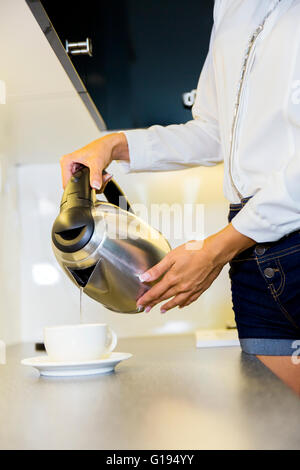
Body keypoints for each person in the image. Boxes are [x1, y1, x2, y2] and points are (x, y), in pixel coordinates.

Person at [60, 0, 300, 356]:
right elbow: (215, 131)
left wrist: (219, 248)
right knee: (270, 410)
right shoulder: (230, 8)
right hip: (250, 256)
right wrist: (116, 145)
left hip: (270, 236)